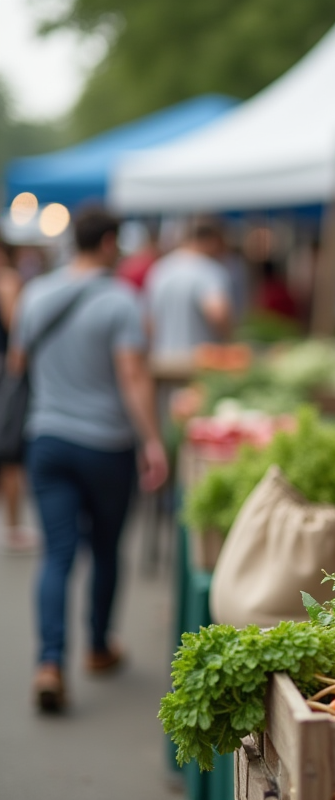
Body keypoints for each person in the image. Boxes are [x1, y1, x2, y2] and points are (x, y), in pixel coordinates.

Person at [8, 207, 169, 712]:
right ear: (107, 244)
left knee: (57, 554)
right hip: (106, 445)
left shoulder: (35, 294)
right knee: (104, 548)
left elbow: (18, 362)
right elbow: (133, 376)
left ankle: (49, 662)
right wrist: (153, 440)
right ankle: (98, 647)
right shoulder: (121, 299)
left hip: (47, 439)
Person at [145, 218, 233, 358]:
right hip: (201, 362)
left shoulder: (159, 269)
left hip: (164, 362)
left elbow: (149, 323)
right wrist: (230, 338)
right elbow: (218, 314)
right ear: (212, 241)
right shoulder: (208, 270)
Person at [0, 238, 35, 552]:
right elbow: (18, 335)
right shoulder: (8, 281)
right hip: (5, 376)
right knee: (10, 452)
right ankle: (11, 526)